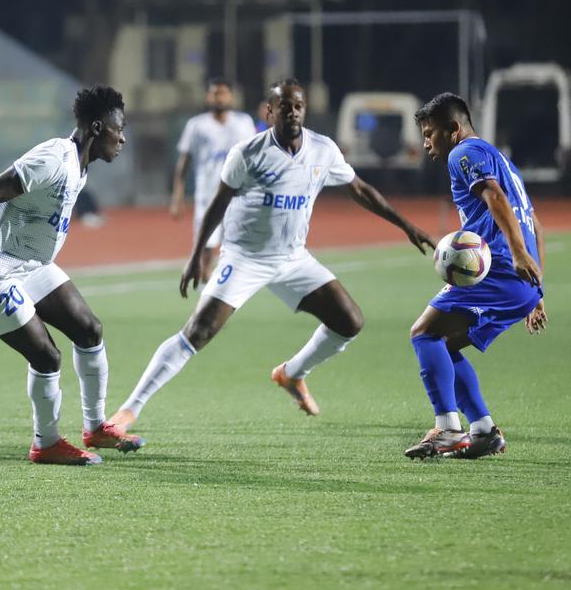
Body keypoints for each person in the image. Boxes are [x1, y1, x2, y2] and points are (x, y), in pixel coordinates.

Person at [109, 79, 434, 433]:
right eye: (284, 106)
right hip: (244, 258)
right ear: (270, 112)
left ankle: (292, 373)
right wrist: (196, 253)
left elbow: (359, 189)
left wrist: (406, 225)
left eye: (298, 106)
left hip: (293, 258)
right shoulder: (248, 153)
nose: (292, 111)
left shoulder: (322, 150)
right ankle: (128, 411)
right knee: (198, 332)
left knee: (349, 321)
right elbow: (218, 202)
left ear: (304, 110)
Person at [0, 85, 143, 466]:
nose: (123, 138)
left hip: (31, 264)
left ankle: (96, 427)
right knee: (46, 356)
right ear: (98, 128)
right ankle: (45, 443)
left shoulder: (80, 165)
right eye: (120, 129)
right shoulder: (53, 159)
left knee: (89, 329)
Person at [404, 93, 546, 460]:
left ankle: (448, 429)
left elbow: (495, 198)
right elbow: (536, 225)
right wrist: (537, 290)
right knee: (445, 344)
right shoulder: (502, 160)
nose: (426, 143)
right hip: (519, 284)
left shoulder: (463, 153)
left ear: (453, 129)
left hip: (497, 270)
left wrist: (516, 254)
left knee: (423, 333)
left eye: (429, 133)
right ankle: (483, 431)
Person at [170, 78, 257, 283]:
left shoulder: (244, 123)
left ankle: (228, 289)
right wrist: (177, 195)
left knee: (236, 248)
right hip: (208, 196)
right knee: (206, 248)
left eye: (222, 93)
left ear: (231, 96)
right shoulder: (196, 125)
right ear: (208, 97)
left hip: (239, 195)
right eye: (214, 93)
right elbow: (184, 162)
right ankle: (206, 288)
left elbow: (255, 158)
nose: (218, 98)